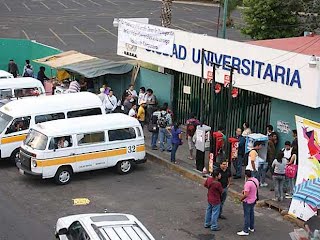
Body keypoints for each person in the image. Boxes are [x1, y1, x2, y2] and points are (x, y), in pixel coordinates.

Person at [237, 170, 259, 236]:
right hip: (254, 199)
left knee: (246, 215)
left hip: (248, 201)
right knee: (251, 213)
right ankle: (251, 227)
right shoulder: (255, 180)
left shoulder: (248, 183)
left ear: (246, 175)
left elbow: (246, 194)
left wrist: (240, 199)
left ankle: (245, 230)